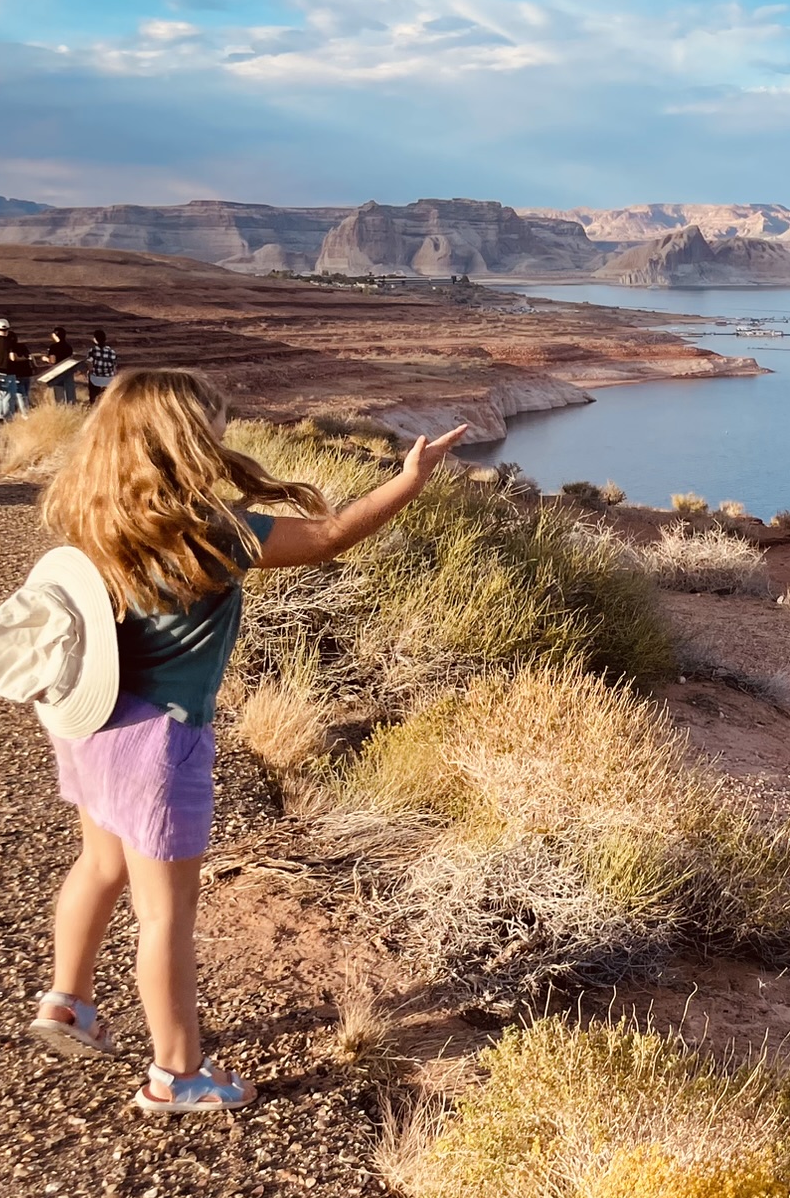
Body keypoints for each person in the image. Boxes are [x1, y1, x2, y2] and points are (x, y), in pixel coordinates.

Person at [23, 368, 466, 1112]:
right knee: (165, 917)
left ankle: (66, 1003)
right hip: (162, 747)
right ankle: (176, 1075)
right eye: (212, 425)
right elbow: (329, 538)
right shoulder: (211, 532)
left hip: (91, 725)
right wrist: (408, 481)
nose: (223, 434)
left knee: (98, 865)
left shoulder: (91, 514)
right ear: (184, 441)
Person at [0, 317, 31, 419]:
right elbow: (12, 357)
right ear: (8, 329)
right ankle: (8, 417)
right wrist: (24, 358)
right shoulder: (10, 342)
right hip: (9, 370)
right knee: (9, 394)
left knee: (1, 393)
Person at [45, 327, 78, 405]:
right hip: (68, 372)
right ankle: (71, 408)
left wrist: (46, 359)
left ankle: (61, 409)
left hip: (58, 373)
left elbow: (53, 361)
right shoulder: (69, 347)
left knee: (59, 396)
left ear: (56, 336)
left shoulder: (53, 347)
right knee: (70, 393)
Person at [85, 329, 119, 403]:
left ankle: (92, 402)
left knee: (93, 394)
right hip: (108, 379)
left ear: (95, 339)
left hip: (96, 378)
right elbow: (114, 366)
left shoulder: (92, 351)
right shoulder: (111, 351)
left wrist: (90, 372)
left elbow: (89, 363)